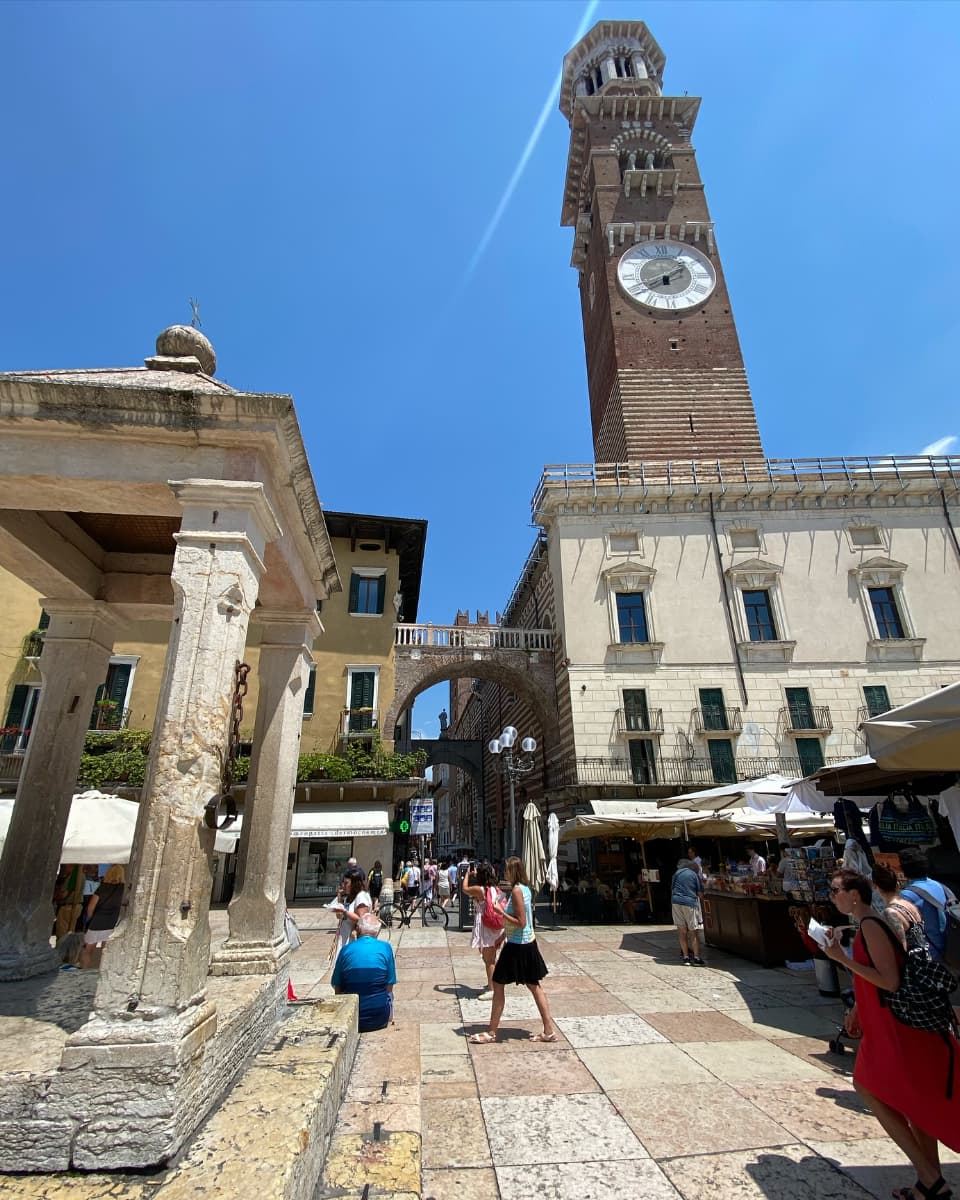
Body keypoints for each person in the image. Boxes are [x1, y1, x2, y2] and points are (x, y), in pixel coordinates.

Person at [822, 868, 959, 1199]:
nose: (832, 895)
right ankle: (929, 1182)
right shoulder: (868, 923)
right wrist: (856, 1010)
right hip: (885, 1023)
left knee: (867, 1088)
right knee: (914, 1103)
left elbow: (890, 980)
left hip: (895, 1026)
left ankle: (929, 1176)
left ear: (855, 894)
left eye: (836, 889)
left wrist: (841, 959)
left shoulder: (872, 924)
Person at [468, 856, 557, 1044]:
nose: (504, 873)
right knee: (534, 986)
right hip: (524, 943)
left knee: (499, 984)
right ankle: (548, 1030)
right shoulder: (524, 889)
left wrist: (500, 912)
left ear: (514, 871)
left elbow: (521, 922)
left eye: (507, 870)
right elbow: (523, 923)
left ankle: (492, 1033)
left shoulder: (516, 891)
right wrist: (501, 937)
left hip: (518, 947)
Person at [331, 911, 396, 1031]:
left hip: (351, 1018)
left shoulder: (346, 950)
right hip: (379, 1018)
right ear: (377, 932)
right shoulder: (385, 947)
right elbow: (389, 985)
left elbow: (337, 985)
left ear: (359, 929)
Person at [899, 848, 956, 964]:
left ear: (903, 869)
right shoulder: (941, 886)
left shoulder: (906, 896)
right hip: (954, 948)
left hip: (934, 957)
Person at [462, 861, 505, 1001]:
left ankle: (492, 989)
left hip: (486, 926)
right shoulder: (495, 888)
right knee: (491, 957)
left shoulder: (480, 890)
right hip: (496, 924)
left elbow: (464, 889)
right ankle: (491, 984)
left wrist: (467, 875)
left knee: (489, 960)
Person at [80, 865, 125, 968]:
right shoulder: (122, 889)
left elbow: (91, 907)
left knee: (89, 949)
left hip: (97, 921)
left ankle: (84, 970)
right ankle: (102, 971)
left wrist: (90, 918)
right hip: (111, 922)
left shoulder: (102, 887)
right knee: (105, 950)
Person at [330, 867, 371, 969]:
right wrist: (339, 897)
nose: (344, 886)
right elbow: (342, 915)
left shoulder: (361, 897)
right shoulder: (352, 896)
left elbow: (362, 919)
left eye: (346, 883)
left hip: (352, 939)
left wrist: (344, 911)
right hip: (344, 937)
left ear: (354, 883)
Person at [671, 855, 705, 966]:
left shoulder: (677, 873)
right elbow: (700, 894)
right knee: (693, 931)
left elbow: (672, 889)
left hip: (676, 902)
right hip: (689, 902)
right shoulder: (694, 875)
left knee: (682, 931)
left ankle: (685, 958)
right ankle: (696, 958)